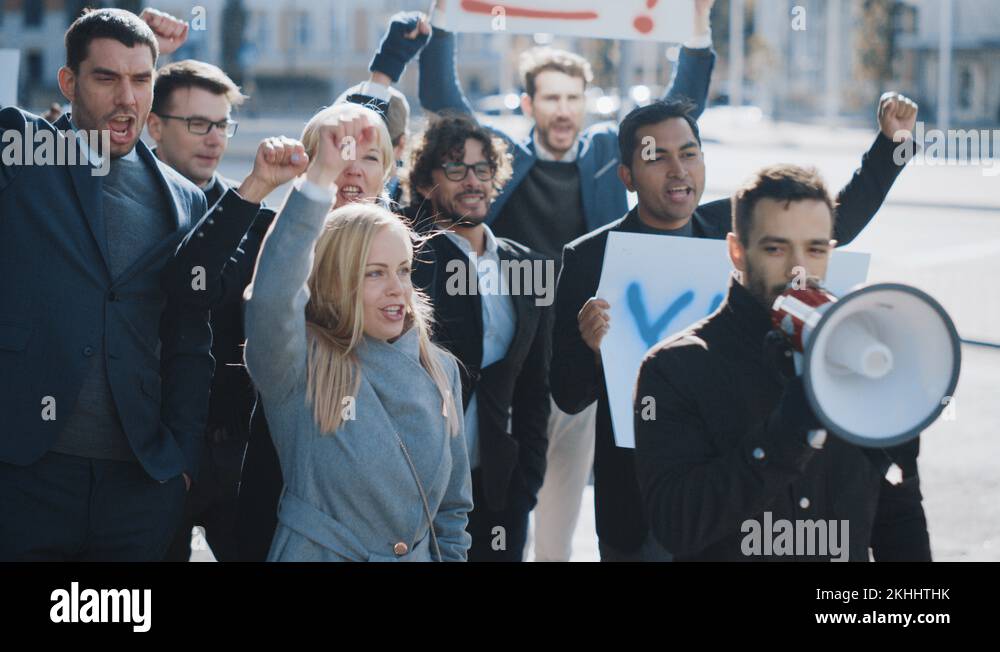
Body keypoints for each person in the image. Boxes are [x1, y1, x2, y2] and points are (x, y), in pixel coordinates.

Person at [397, 0, 717, 560]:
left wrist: (695, 34)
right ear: (530, 104)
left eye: (574, 98)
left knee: (561, 519)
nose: (564, 111)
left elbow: (680, 111)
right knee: (498, 500)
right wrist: (444, 19)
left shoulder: (603, 154)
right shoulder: (504, 155)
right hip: (515, 361)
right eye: (551, 98)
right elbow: (441, 97)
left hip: (580, 350)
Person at [552, 93, 920, 561]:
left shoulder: (735, 225)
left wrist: (893, 145)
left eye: (688, 153)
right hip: (639, 496)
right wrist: (589, 348)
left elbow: (834, 222)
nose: (677, 169)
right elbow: (567, 392)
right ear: (626, 176)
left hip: (739, 480)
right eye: (656, 157)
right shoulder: (588, 258)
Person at [633, 164, 931, 561]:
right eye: (776, 248)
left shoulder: (864, 360)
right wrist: (789, 432)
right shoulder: (673, 369)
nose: (798, 269)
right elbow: (678, 525)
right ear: (737, 251)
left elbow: (899, 518)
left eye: (816, 249)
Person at [0, 8, 212, 561]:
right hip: (24, 474)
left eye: (141, 79)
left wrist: (180, 463)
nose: (127, 99)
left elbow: (189, 340)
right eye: (106, 78)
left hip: (137, 488)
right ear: (68, 83)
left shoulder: (184, 197)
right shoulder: (24, 151)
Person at [243, 107, 471, 561]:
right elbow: (271, 299)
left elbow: (453, 510)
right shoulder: (301, 363)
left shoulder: (440, 367)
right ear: (335, 280)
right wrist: (316, 184)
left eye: (403, 271)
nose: (396, 289)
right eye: (373, 274)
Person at [234, 102, 401, 561]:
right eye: (341, 152)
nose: (354, 169)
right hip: (287, 481)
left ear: (386, 172)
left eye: (370, 157)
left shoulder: (407, 263)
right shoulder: (274, 244)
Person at [150, 59, 299, 562]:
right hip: (151, 451)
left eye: (221, 124)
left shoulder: (258, 220)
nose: (214, 138)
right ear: (154, 125)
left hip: (239, 450)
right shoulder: (125, 212)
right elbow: (183, 290)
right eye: (197, 124)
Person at [406, 114, 553, 561]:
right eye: (455, 168)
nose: (472, 181)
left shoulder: (531, 267)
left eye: (482, 169)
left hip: (500, 488)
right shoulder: (406, 263)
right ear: (426, 179)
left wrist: (527, 480)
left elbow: (535, 384)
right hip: (418, 488)